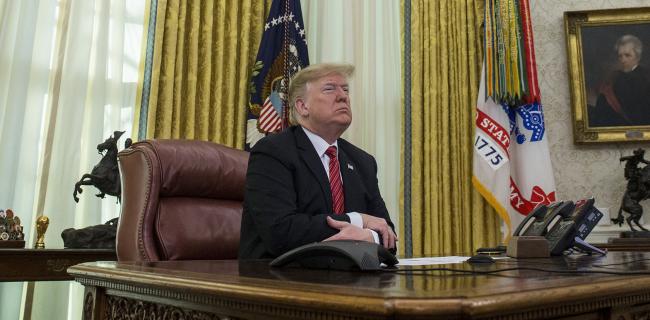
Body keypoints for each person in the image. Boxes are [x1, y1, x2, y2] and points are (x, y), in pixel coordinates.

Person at [239, 63, 396, 259]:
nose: (343, 96)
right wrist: (358, 220)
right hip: (281, 280)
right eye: (330, 89)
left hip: (348, 280)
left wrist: (368, 236)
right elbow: (281, 231)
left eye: (345, 89)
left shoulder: (363, 161)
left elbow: (387, 232)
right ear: (302, 106)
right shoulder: (273, 152)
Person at [591, 34, 650, 127]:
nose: (623, 60)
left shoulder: (647, 77)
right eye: (620, 56)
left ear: (638, 57)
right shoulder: (615, 77)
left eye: (627, 55)